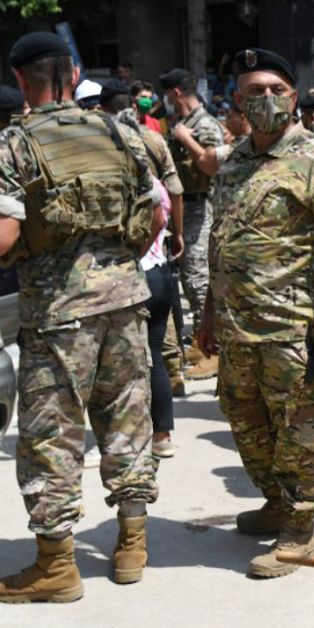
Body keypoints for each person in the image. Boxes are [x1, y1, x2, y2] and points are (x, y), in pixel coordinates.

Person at [0, 31, 164, 602]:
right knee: (128, 421)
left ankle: (55, 566)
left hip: (57, 315)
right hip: (125, 302)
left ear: (22, 81)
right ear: (72, 73)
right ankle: (132, 544)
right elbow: (154, 217)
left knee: (52, 436)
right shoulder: (121, 133)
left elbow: (5, 236)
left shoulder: (15, 144)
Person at [198, 48, 314, 578]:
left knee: (303, 429)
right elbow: (220, 242)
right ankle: (275, 501)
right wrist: (208, 313)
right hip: (237, 325)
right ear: (239, 101)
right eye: (254, 91)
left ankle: (300, 531)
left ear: (294, 98)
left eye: (276, 89)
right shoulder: (234, 161)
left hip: (294, 326)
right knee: (245, 419)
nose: (266, 99)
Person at [101, 79, 186, 459]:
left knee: (127, 364)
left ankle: (130, 439)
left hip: (133, 276)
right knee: (153, 355)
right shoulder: (152, 178)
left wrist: (132, 251)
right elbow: (168, 203)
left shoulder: (111, 181)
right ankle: (162, 436)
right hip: (159, 270)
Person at [160, 67, 225, 381]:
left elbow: (215, 169)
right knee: (189, 278)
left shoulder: (204, 125)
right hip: (183, 208)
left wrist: (187, 141)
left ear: (175, 93)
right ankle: (202, 344)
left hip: (200, 206)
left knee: (200, 282)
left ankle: (214, 352)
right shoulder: (183, 123)